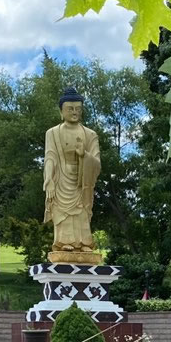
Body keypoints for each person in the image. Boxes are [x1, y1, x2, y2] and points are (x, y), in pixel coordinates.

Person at [44, 87, 101, 258]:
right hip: (61, 178)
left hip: (82, 180)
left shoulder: (90, 135)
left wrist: (84, 155)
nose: (75, 112)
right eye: (70, 109)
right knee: (63, 213)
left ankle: (84, 243)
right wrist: (49, 179)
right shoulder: (52, 133)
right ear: (61, 111)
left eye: (78, 109)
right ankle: (64, 242)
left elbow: (97, 163)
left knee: (82, 212)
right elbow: (50, 157)